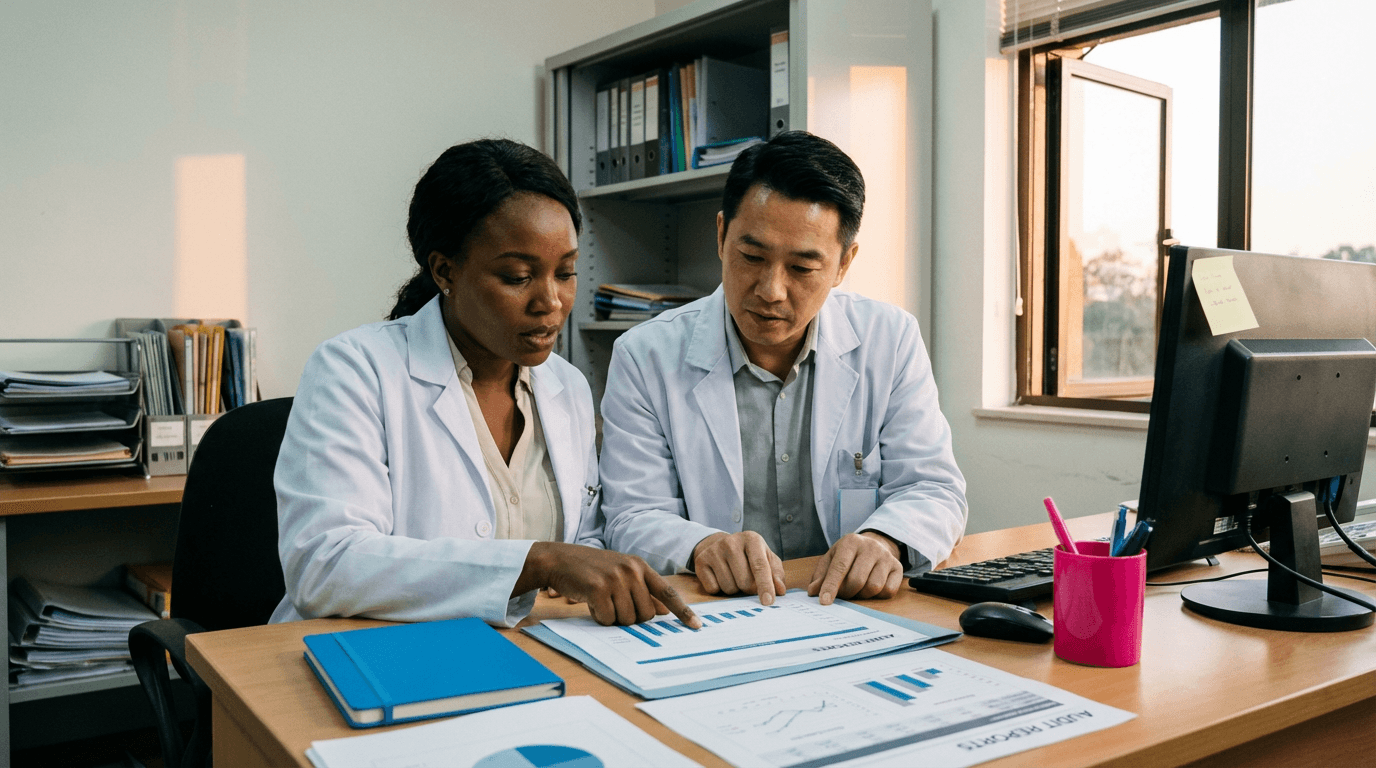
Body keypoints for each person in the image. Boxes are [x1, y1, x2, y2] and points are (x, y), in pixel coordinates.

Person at [271, 139, 698, 629]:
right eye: (517, 277)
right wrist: (535, 562)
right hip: (377, 656)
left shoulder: (568, 388)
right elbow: (325, 565)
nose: (551, 302)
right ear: (444, 271)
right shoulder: (354, 371)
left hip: (531, 648)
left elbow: (586, 542)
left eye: (566, 273)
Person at [599, 131, 967, 606]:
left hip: (846, 613)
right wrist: (700, 545)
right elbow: (631, 515)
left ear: (842, 264)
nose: (771, 290)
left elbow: (934, 487)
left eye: (802, 268)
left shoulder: (889, 340)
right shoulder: (645, 355)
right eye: (752, 257)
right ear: (719, 236)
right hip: (715, 614)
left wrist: (884, 540)